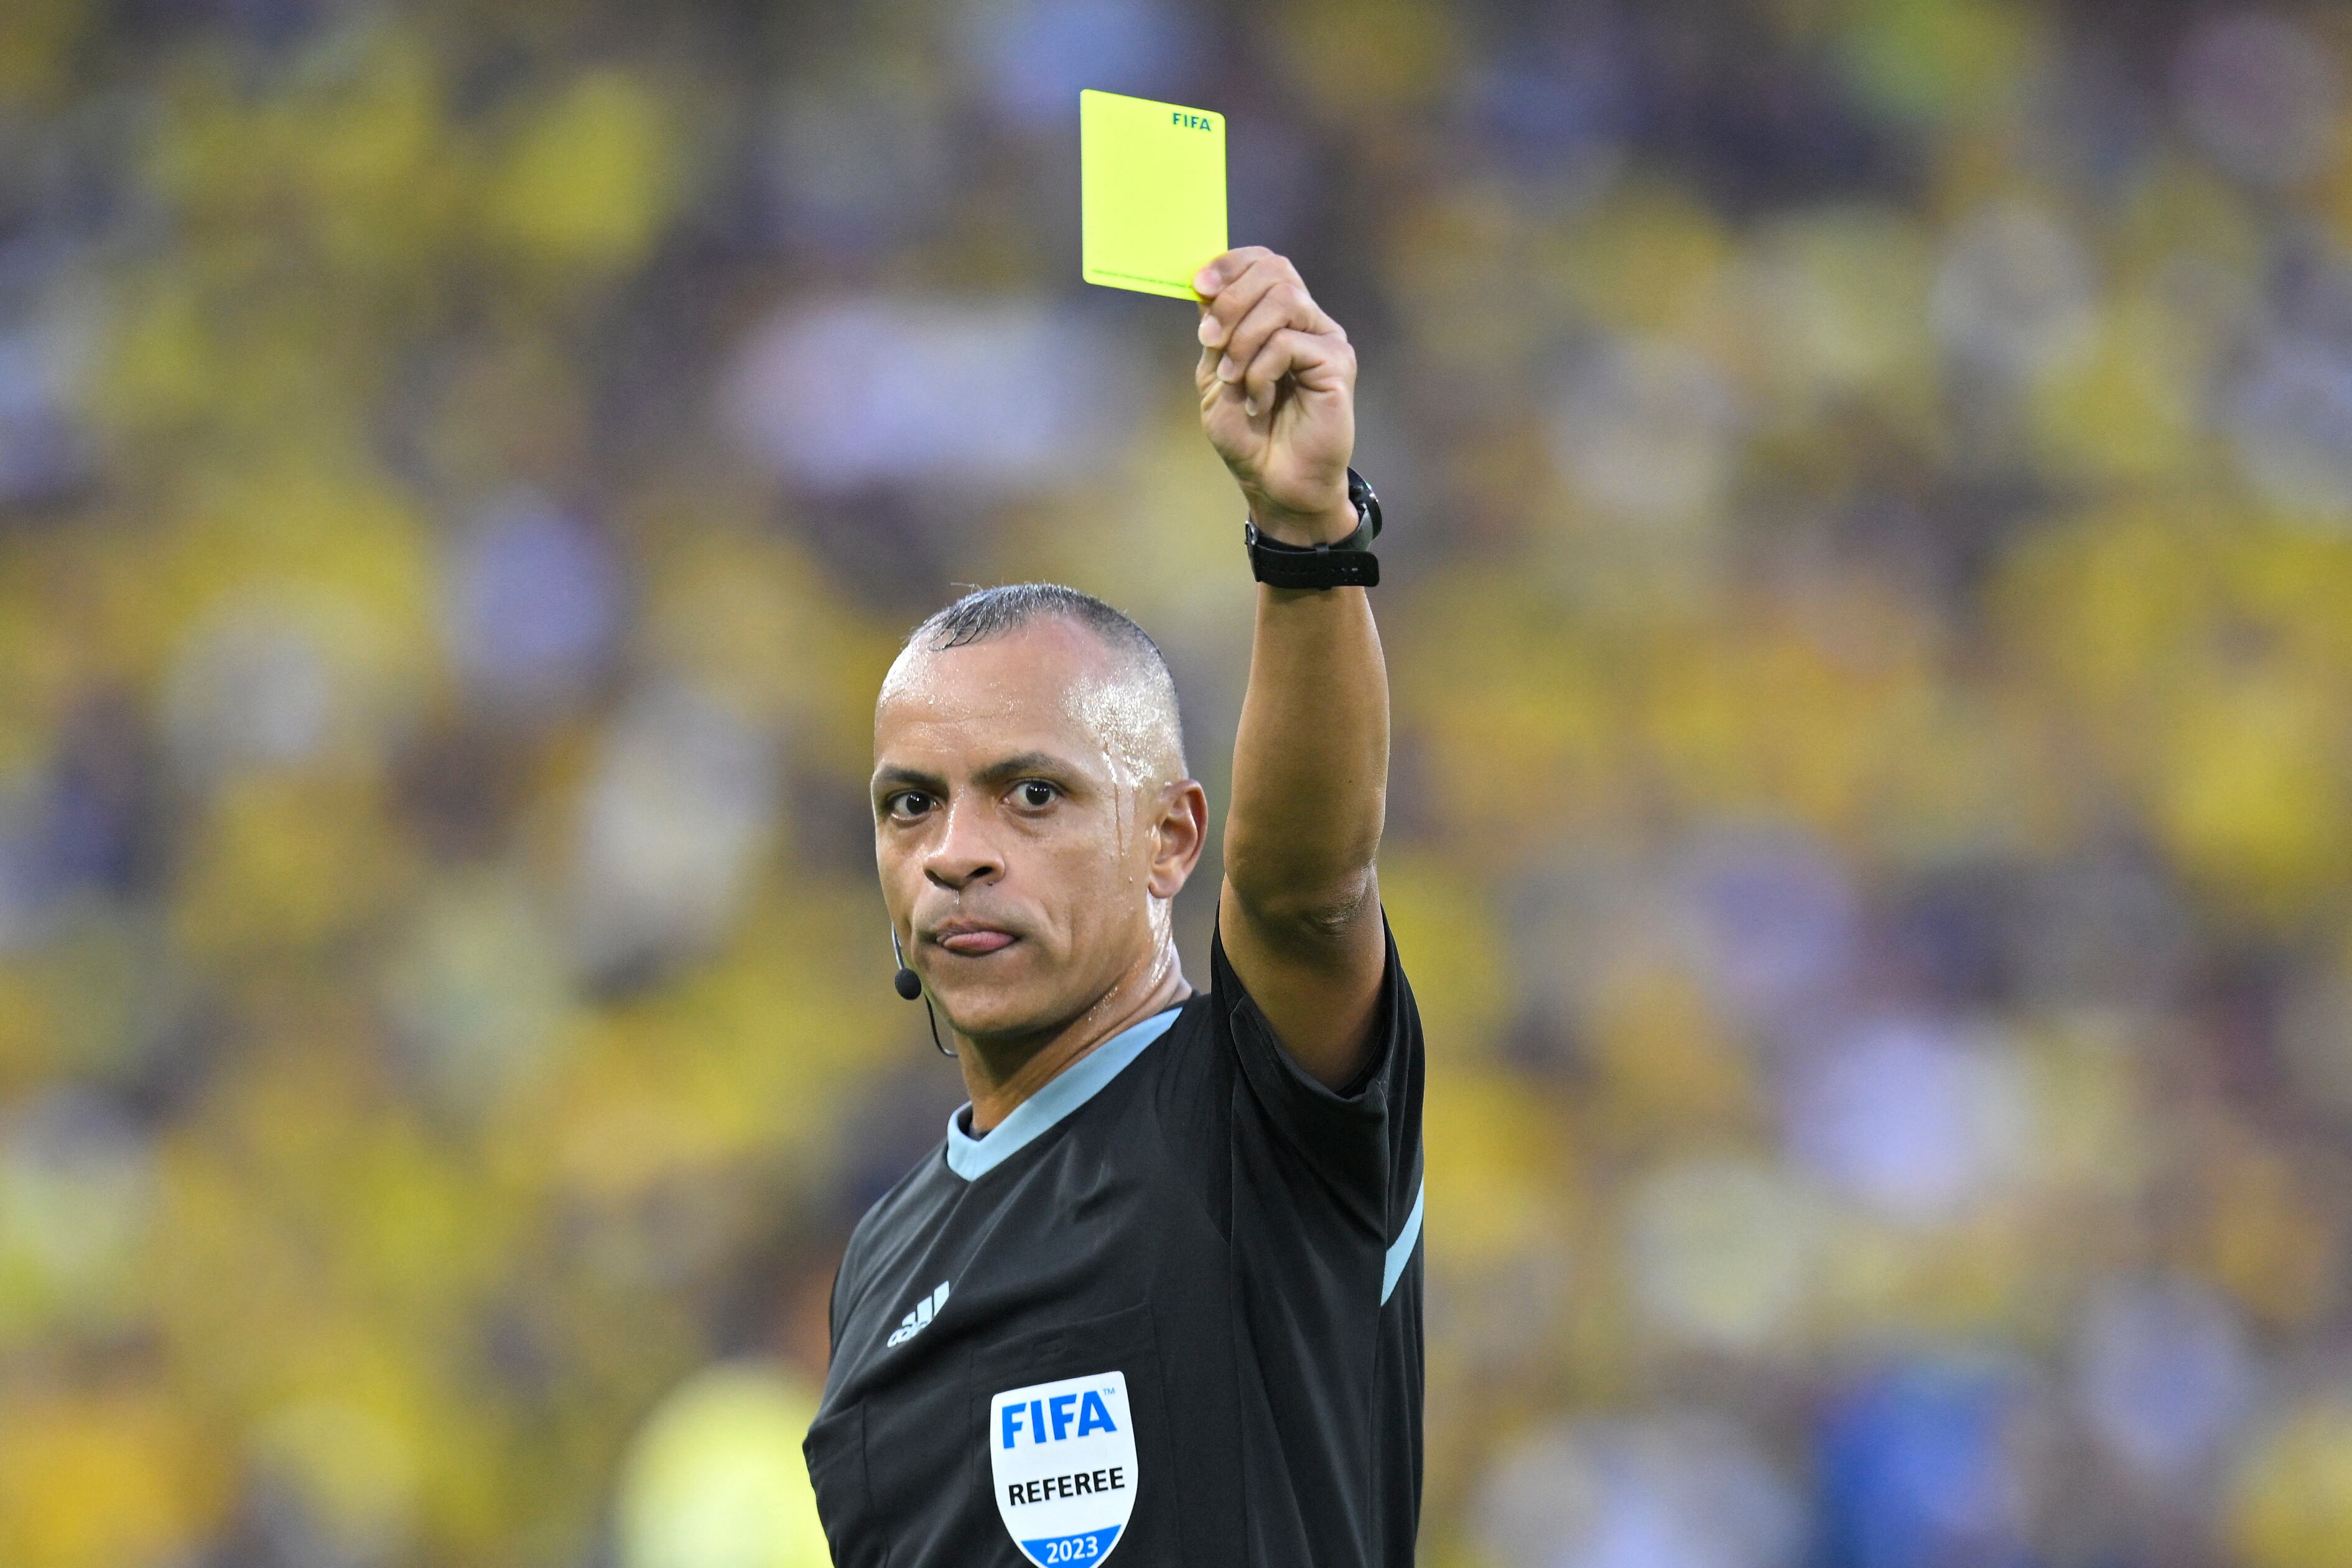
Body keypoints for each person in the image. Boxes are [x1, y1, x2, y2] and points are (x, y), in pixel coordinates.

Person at [804, 247, 1425, 1568]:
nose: (954, 852)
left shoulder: (1262, 1116)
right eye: (910, 804)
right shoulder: (885, 1257)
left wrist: (1308, 540)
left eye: (1031, 795)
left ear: (1168, 838)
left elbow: (1310, 895)